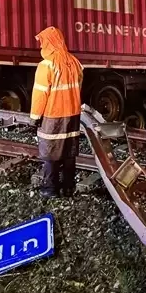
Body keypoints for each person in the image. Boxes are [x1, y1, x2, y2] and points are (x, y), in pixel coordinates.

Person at [30, 26, 85, 198]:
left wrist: (34, 117)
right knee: (69, 152)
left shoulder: (46, 65)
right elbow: (79, 86)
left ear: (50, 43)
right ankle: (69, 188)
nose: (41, 47)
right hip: (73, 115)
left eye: (43, 42)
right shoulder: (75, 62)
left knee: (50, 153)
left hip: (53, 116)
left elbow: (40, 95)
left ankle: (50, 190)